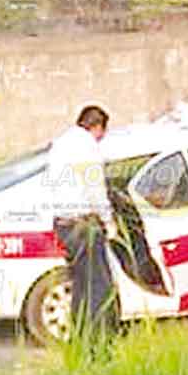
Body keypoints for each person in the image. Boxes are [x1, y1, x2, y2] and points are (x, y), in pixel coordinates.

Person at [48, 103, 119, 345]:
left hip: (63, 224)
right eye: (102, 134)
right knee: (99, 286)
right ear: (97, 127)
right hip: (83, 225)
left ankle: (80, 338)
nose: (101, 139)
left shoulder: (61, 143)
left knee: (80, 283)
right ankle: (99, 342)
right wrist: (109, 221)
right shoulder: (87, 147)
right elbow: (95, 190)